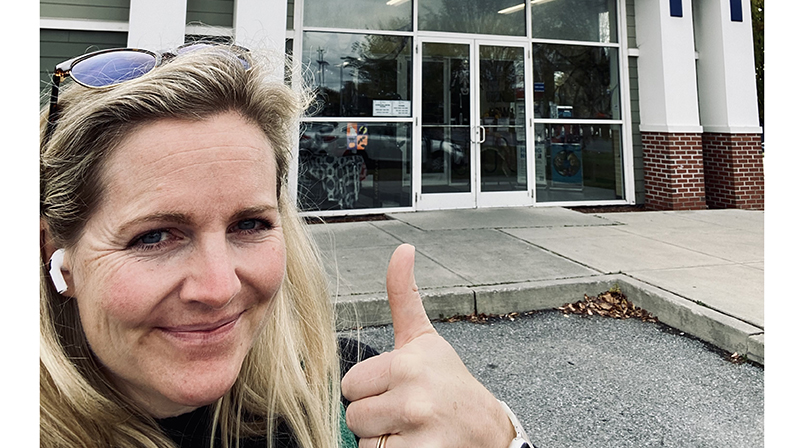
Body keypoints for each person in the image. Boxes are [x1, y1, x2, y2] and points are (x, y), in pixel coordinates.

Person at [40, 44, 534, 448]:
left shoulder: (348, 397)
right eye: (154, 236)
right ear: (58, 256)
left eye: (249, 225)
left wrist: (498, 436)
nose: (217, 289)